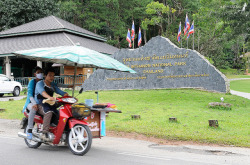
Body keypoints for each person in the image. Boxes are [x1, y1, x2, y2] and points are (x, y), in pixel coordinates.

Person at [35, 67, 68, 140]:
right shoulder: (40, 83)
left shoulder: (53, 84)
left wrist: (66, 95)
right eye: (50, 75)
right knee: (49, 113)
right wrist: (49, 97)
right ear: (45, 75)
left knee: (59, 113)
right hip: (41, 104)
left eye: (53, 76)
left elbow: (59, 91)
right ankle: (44, 133)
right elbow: (43, 93)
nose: (52, 77)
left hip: (50, 103)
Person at [23, 66, 44, 140]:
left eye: (41, 72)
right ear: (35, 74)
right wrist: (34, 103)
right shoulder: (32, 82)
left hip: (41, 102)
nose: (40, 74)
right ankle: (29, 129)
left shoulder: (43, 82)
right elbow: (29, 94)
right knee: (34, 108)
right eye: (38, 73)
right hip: (30, 102)